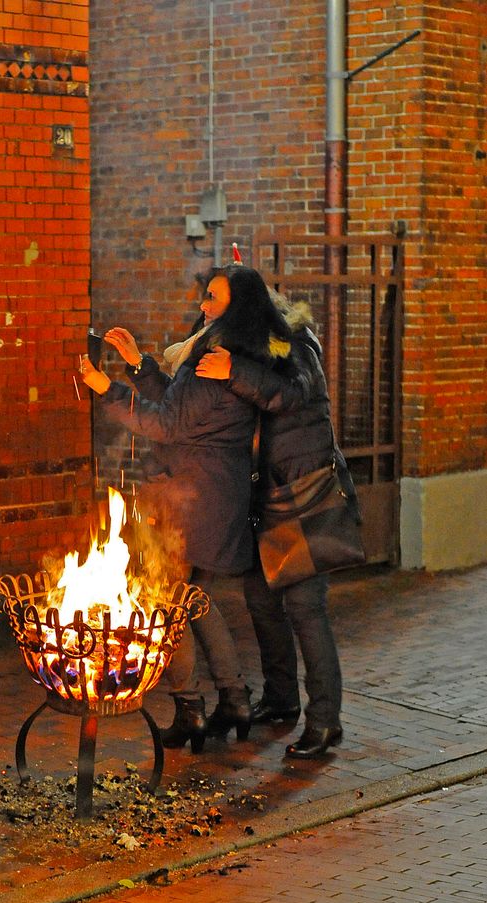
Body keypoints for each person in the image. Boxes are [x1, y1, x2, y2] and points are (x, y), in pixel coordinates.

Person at [79, 266, 290, 749]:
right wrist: (138, 364)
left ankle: (190, 706)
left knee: (169, 603)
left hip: (197, 499)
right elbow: (179, 406)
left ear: (236, 306)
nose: (203, 305)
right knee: (196, 600)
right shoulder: (229, 360)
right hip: (218, 494)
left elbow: (167, 425)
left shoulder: (216, 360)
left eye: (213, 298)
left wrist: (103, 388)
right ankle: (234, 700)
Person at [196, 286, 359, 758]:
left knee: (306, 609)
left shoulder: (296, 341)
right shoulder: (244, 345)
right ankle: (282, 699)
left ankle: (326, 722)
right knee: (261, 600)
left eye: (215, 301)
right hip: (264, 496)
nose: (205, 309)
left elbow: (292, 394)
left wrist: (236, 371)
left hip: (301, 495)